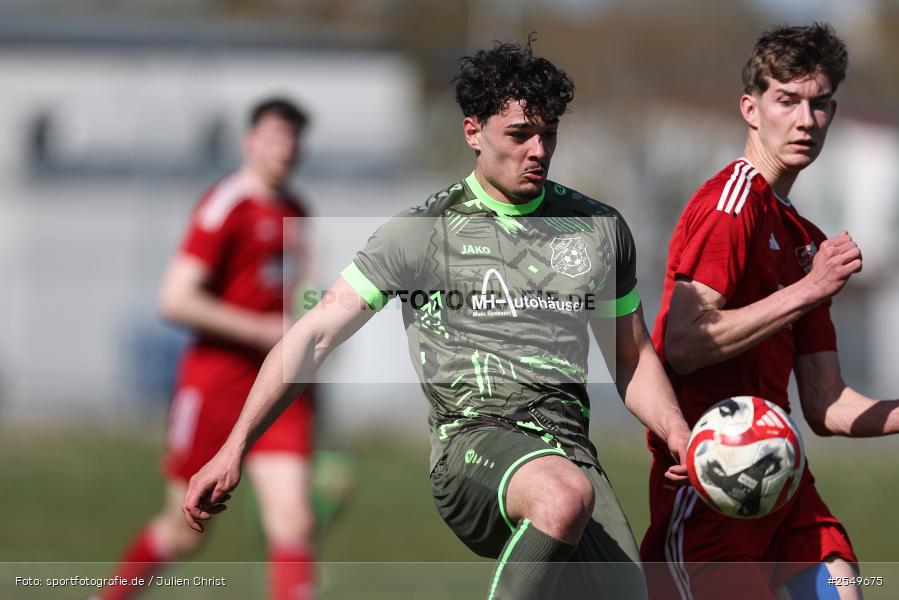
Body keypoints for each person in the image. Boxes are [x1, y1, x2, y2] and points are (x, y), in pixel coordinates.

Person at [182, 39, 691, 600]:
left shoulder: (599, 228)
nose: (538, 151)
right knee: (561, 499)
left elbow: (631, 355)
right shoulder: (422, 232)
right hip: (471, 444)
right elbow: (313, 335)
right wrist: (234, 447)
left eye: (548, 134)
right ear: (473, 131)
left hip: (570, 454)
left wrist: (675, 431)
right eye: (519, 135)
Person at [641, 23, 899, 600]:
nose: (806, 120)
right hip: (713, 486)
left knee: (843, 586)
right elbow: (683, 342)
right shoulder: (731, 205)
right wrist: (809, 289)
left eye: (820, 103)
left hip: (784, 483)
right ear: (750, 109)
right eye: (787, 101)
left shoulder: (805, 237)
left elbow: (826, 403)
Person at [100, 98, 317, 600]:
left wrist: (311, 320)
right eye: (275, 135)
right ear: (250, 141)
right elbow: (175, 299)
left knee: (294, 518)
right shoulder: (227, 206)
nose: (286, 147)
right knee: (184, 529)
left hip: (276, 381)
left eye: (294, 137)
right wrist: (259, 329)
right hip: (215, 383)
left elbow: (296, 287)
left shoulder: (297, 209)